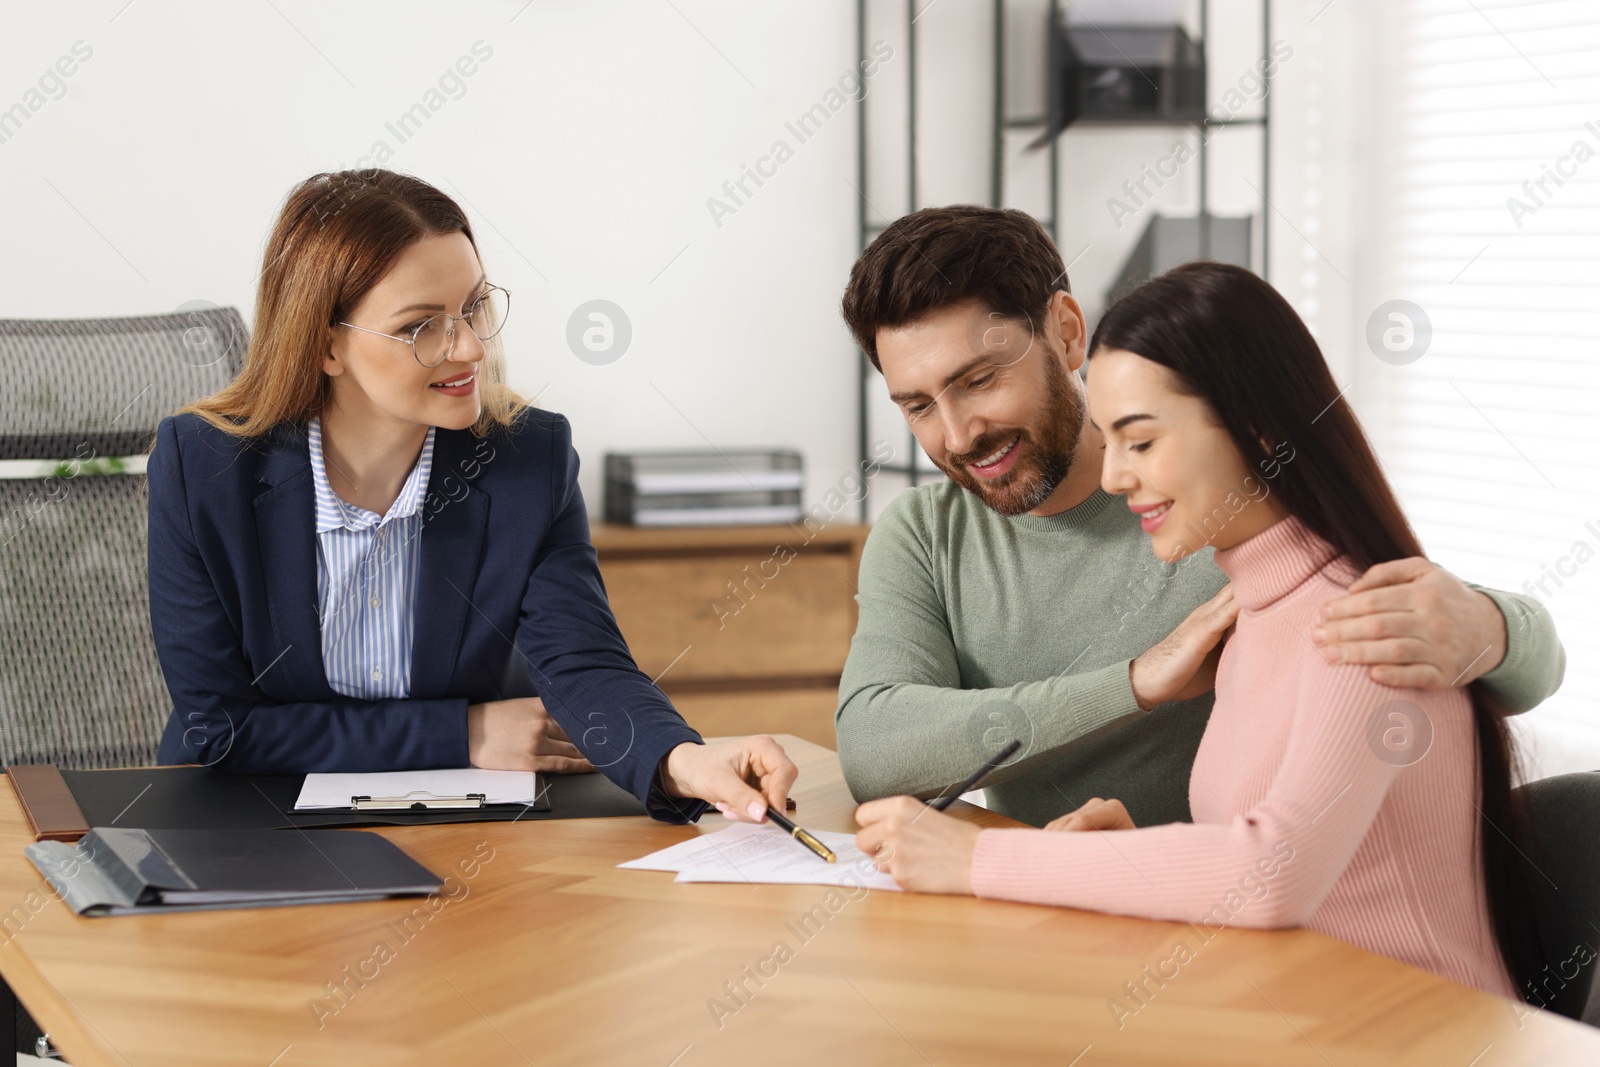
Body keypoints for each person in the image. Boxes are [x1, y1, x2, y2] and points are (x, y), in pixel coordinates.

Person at [855, 261, 1541, 999]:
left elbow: (1272, 869)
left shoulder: (1361, 621)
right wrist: (1136, 854)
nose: (1116, 477)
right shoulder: (1251, 608)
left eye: (1141, 442)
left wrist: (972, 861)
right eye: (917, 405)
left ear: (1258, 429)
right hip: (1270, 1006)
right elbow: (1284, 855)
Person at [836, 206, 1563, 831]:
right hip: (1065, 909)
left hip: (1230, 933)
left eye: (980, 380)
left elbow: (1525, 666)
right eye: (920, 406)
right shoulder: (926, 535)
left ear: (1064, 331)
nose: (959, 435)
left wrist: (1488, 628)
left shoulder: (1209, 500)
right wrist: (1137, 682)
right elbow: (875, 751)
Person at [147, 169, 795, 824]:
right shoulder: (203, 468)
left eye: (475, 307)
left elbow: (585, 663)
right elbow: (219, 728)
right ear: (326, 344)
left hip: (459, 826)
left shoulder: (525, 461)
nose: (469, 347)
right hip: (243, 827)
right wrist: (463, 733)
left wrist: (683, 759)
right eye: (422, 326)